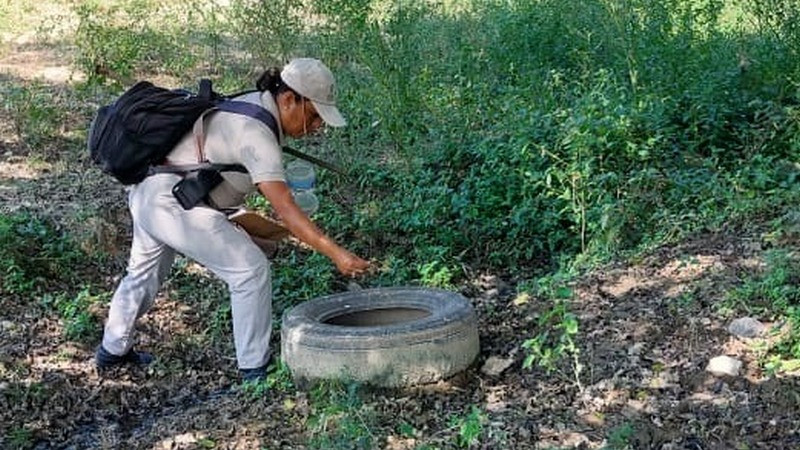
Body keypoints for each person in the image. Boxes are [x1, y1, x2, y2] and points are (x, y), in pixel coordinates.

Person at [96, 58, 370, 381]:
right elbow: (287, 209)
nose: (317, 127)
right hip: (171, 203)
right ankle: (255, 369)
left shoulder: (253, 105)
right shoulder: (257, 134)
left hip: (151, 192)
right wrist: (336, 253)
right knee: (250, 270)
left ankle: (112, 352)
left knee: (143, 274)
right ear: (288, 100)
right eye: (313, 115)